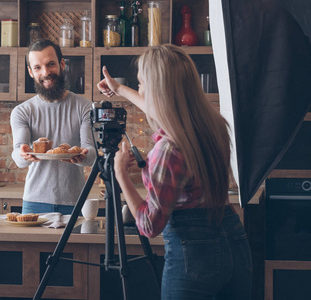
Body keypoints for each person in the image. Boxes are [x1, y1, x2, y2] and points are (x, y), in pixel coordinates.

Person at [97, 44, 252, 299]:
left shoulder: (167, 150)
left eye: (142, 84)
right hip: (235, 240)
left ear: (159, 90)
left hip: (195, 253)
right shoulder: (213, 125)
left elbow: (149, 225)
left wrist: (120, 175)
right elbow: (163, 108)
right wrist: (120, 89)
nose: (141, 91)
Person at [11, 39, 96, 215]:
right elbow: (18, 158)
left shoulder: (85, 107)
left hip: (76, 201)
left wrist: (84, 156)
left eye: (51, 64)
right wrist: (23, 153)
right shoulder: (22, 111)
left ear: (62, 64)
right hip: (35, 202)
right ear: (30, 72)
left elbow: (92, 154)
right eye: (37, 68)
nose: (46, 73)